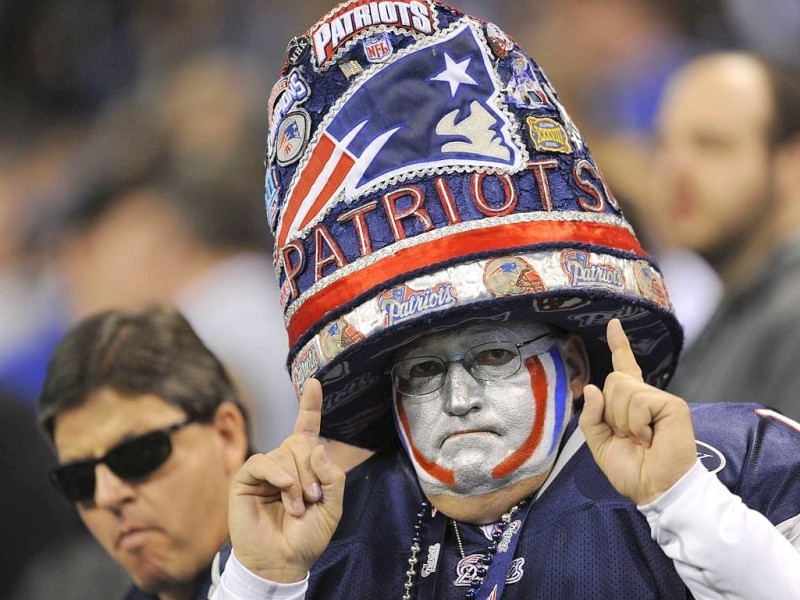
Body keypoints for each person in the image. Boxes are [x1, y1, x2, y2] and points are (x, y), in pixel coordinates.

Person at [210, 3, 800, 598]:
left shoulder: (730, 466)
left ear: (573, 364)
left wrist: (685, 501)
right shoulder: (320, 540)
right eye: (423, 371)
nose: (459, 400)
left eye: (494, 358)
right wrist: (263, 582)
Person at [37, 304, 251, 600]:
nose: (107, 495)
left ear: (227, 436)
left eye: (138, 455)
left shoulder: (330, 572)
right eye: (80, 478)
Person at [652, 52, 800, 422]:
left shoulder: (792, 313)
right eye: (664, 144)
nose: (675, 169)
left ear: (790, 164)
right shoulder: (743, 302)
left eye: (712, 144)